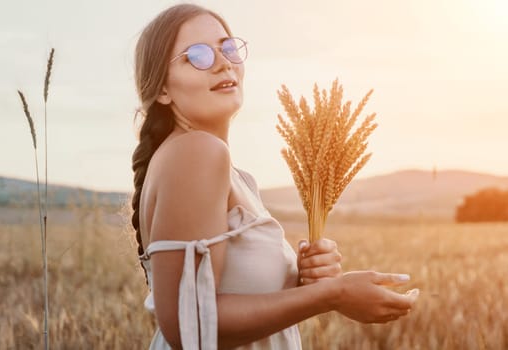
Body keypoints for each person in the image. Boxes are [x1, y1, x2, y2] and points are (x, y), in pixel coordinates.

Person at [130, 4, 419, 349]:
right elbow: (187, 324)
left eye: (229, 48)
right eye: (199, 55)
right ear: (162, 89)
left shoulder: (232, 174)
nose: (223, 62)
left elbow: (228, 302)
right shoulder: (198, 151)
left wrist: (302, 283)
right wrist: (332, 294)